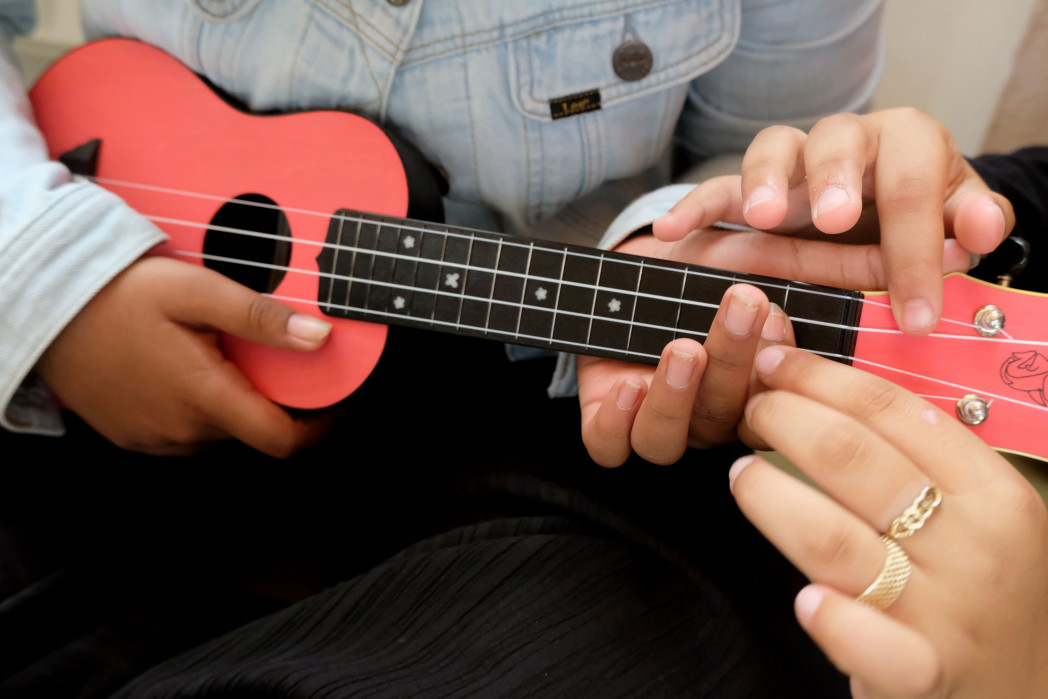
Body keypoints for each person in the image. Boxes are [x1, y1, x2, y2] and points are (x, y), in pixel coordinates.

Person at [2, 1, 1045, 697]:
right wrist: (53, 274)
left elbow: (755, 151)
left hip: (524, 409)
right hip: (71, 317)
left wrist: (679, 235)